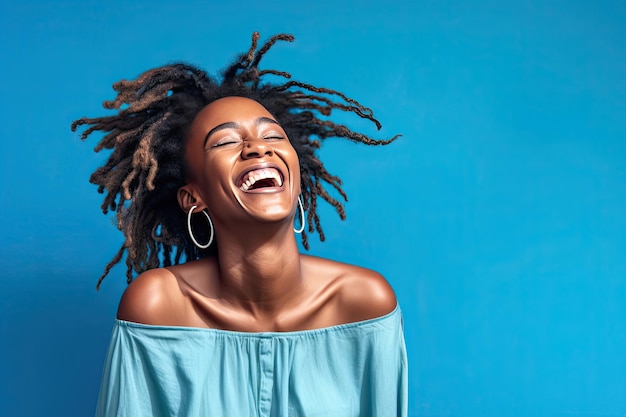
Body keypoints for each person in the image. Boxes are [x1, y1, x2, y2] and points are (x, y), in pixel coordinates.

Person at [73, 32, 407, 417]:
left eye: (272, 136)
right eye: (225, 142)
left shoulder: (364, 305)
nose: (257, 147)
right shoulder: (159, 306)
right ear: (193, 197)